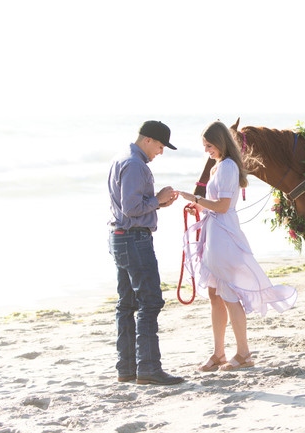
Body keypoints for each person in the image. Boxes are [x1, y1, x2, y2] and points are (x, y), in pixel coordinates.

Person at [178, 121, 297, 372]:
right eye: (204, 146)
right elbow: (217, 204)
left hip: (224, 234)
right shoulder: (219, 166)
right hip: (214, 231)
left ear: (220, 143)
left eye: (209, 145)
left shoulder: (229, 166)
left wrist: (195, 198)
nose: (207, 151)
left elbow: (222, 206)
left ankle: (244, 353)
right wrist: (199, 206)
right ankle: (218, 353)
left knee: (229, 293)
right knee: (214, 294)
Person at [107, 120, 184, 385]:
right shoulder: (136, 164)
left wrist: (157, 204)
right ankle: (149, 368)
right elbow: (131, 207)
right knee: (150, 302)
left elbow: (129, 207)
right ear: (148, 140)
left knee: (126, 304)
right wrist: (158, 200)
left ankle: (127, 368)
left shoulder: (122, 159)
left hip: (121, 237)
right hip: (134, 239)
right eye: (161, 146)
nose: (160, 152)